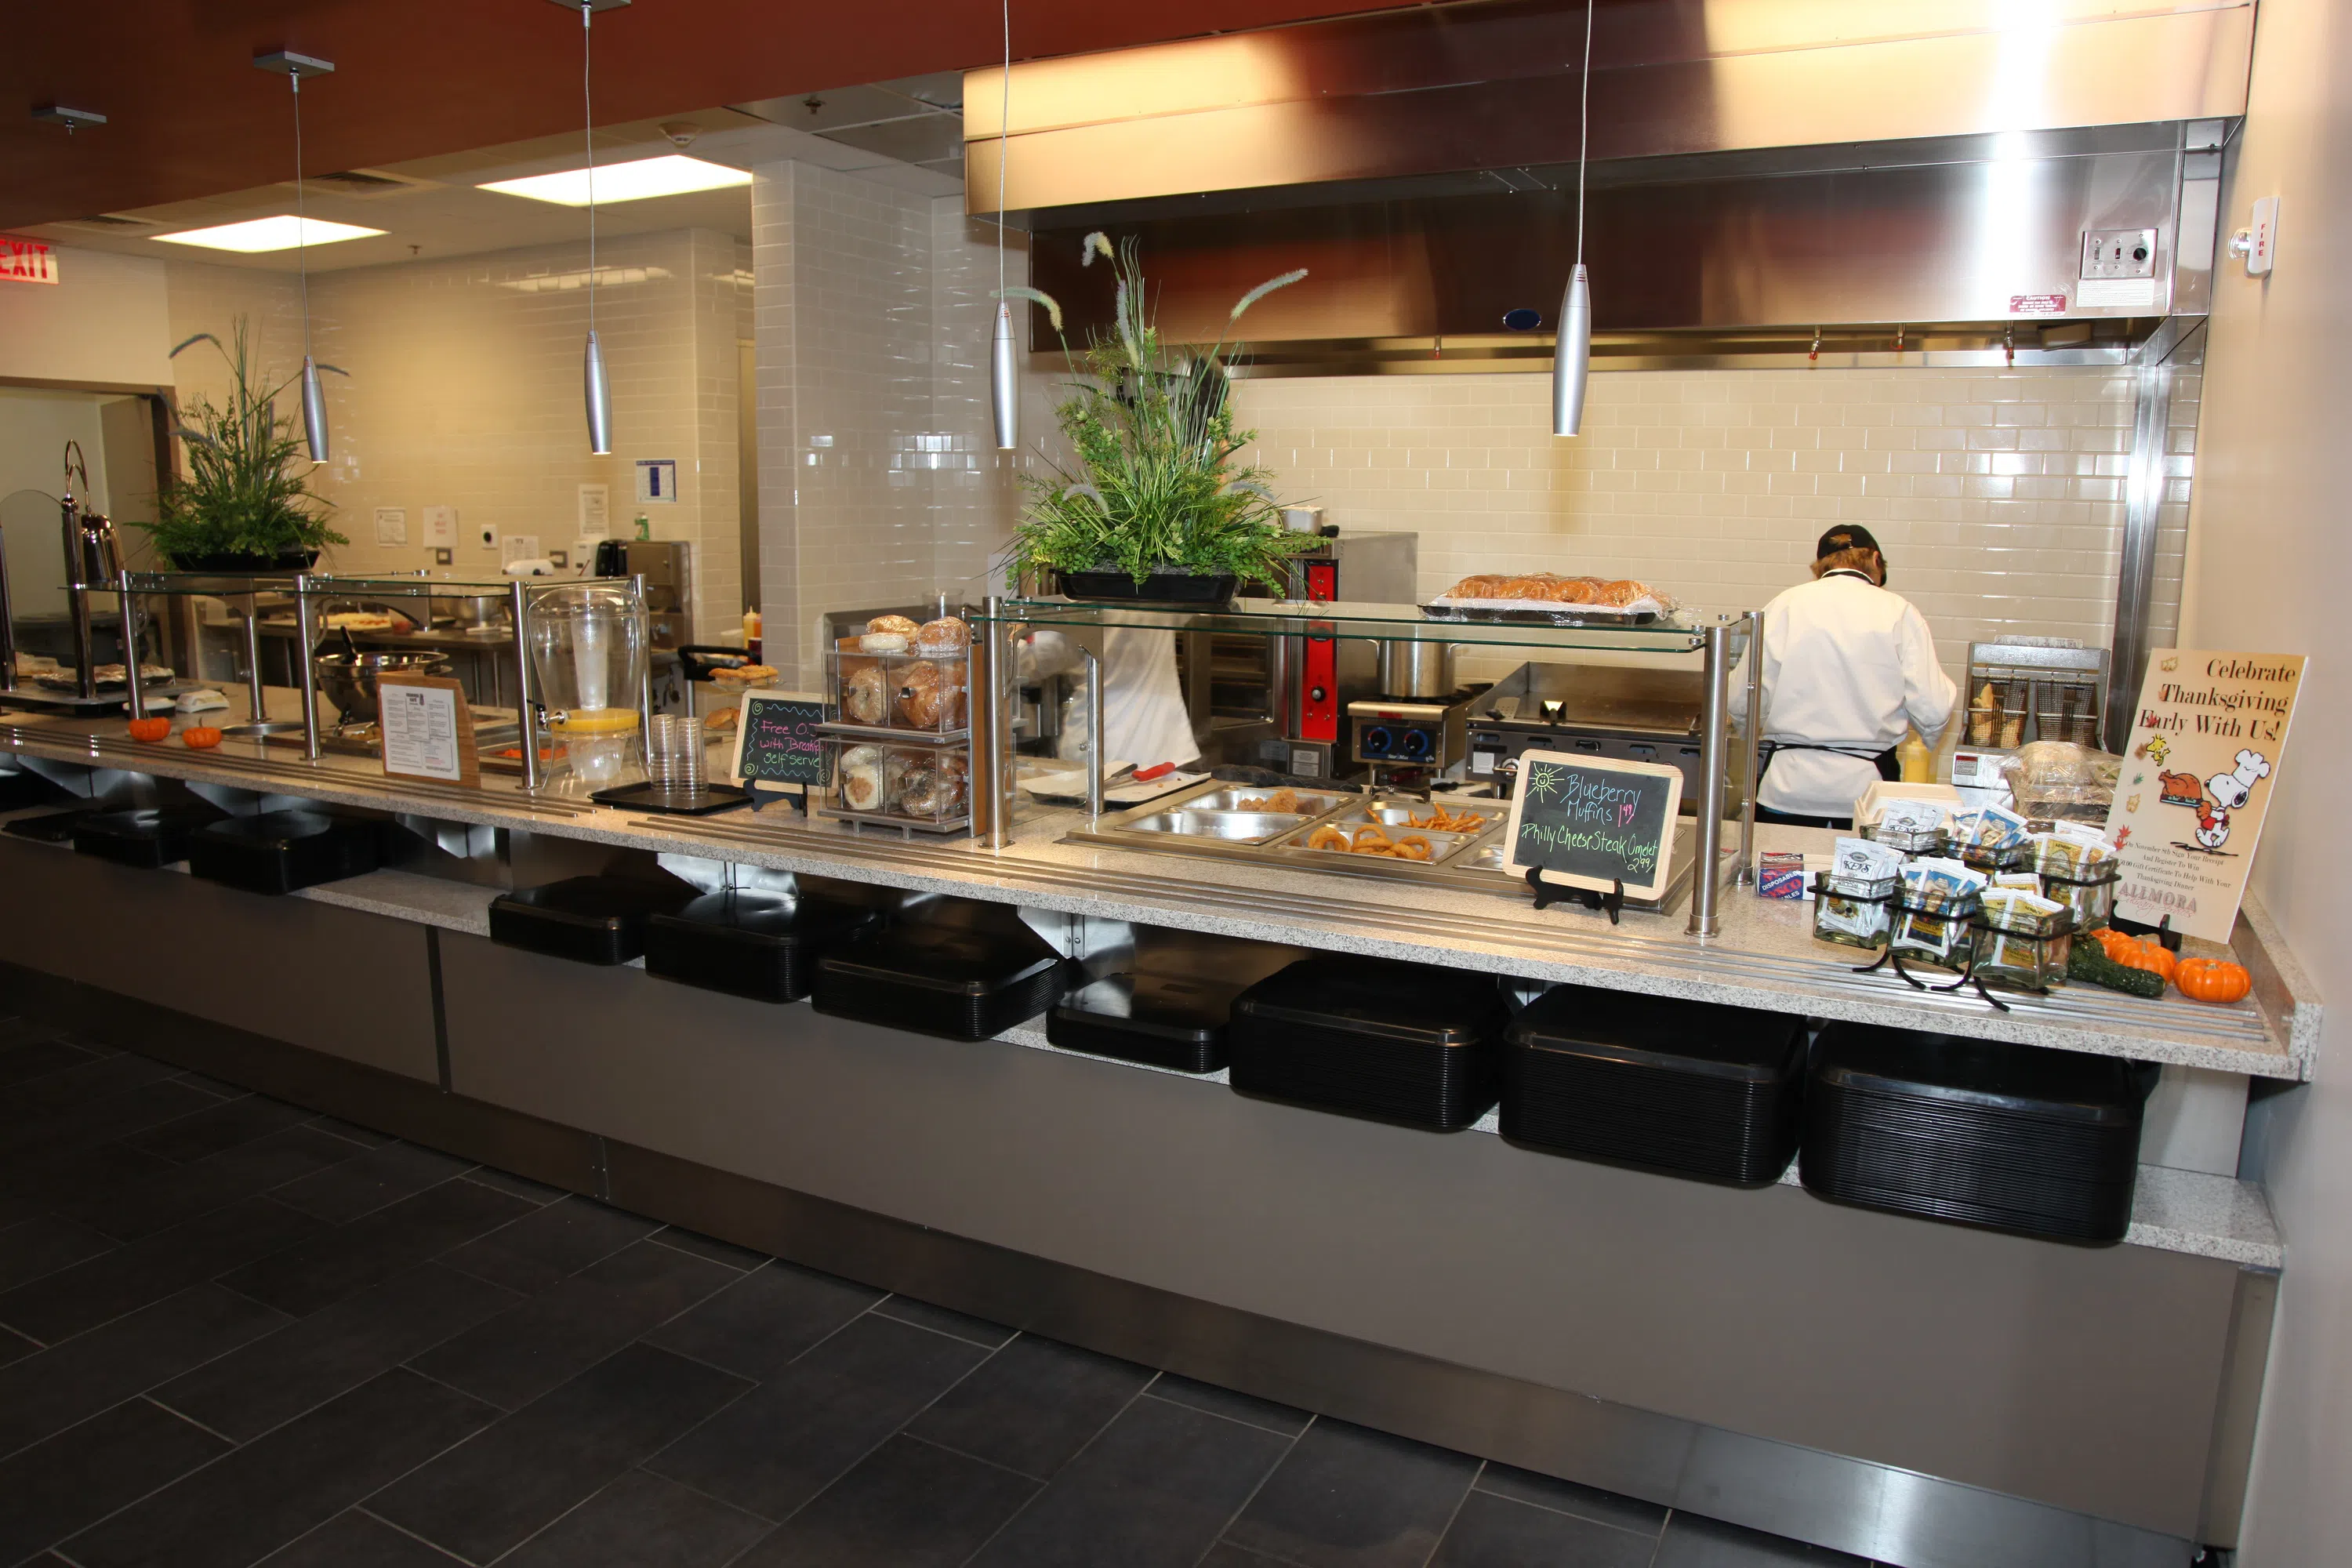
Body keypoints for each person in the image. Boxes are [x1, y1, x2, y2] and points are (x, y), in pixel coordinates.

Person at [1730, 524, 1956, 829]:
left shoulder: (1784, 605)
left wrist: (1748, 729)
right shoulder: (1898, 611)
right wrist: (1928, 737)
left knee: (1781, 875)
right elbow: (1933, 708)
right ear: (1876, 561)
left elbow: (1741, 698)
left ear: (1820, 566)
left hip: (1788, 787)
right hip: (1868, 793)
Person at [1017, 626, 1200, 773]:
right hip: (1164, 746)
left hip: (1104, 748)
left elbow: (1038, 660)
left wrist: (1017, 635)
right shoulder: (1157, 592)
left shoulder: (1081, 599)